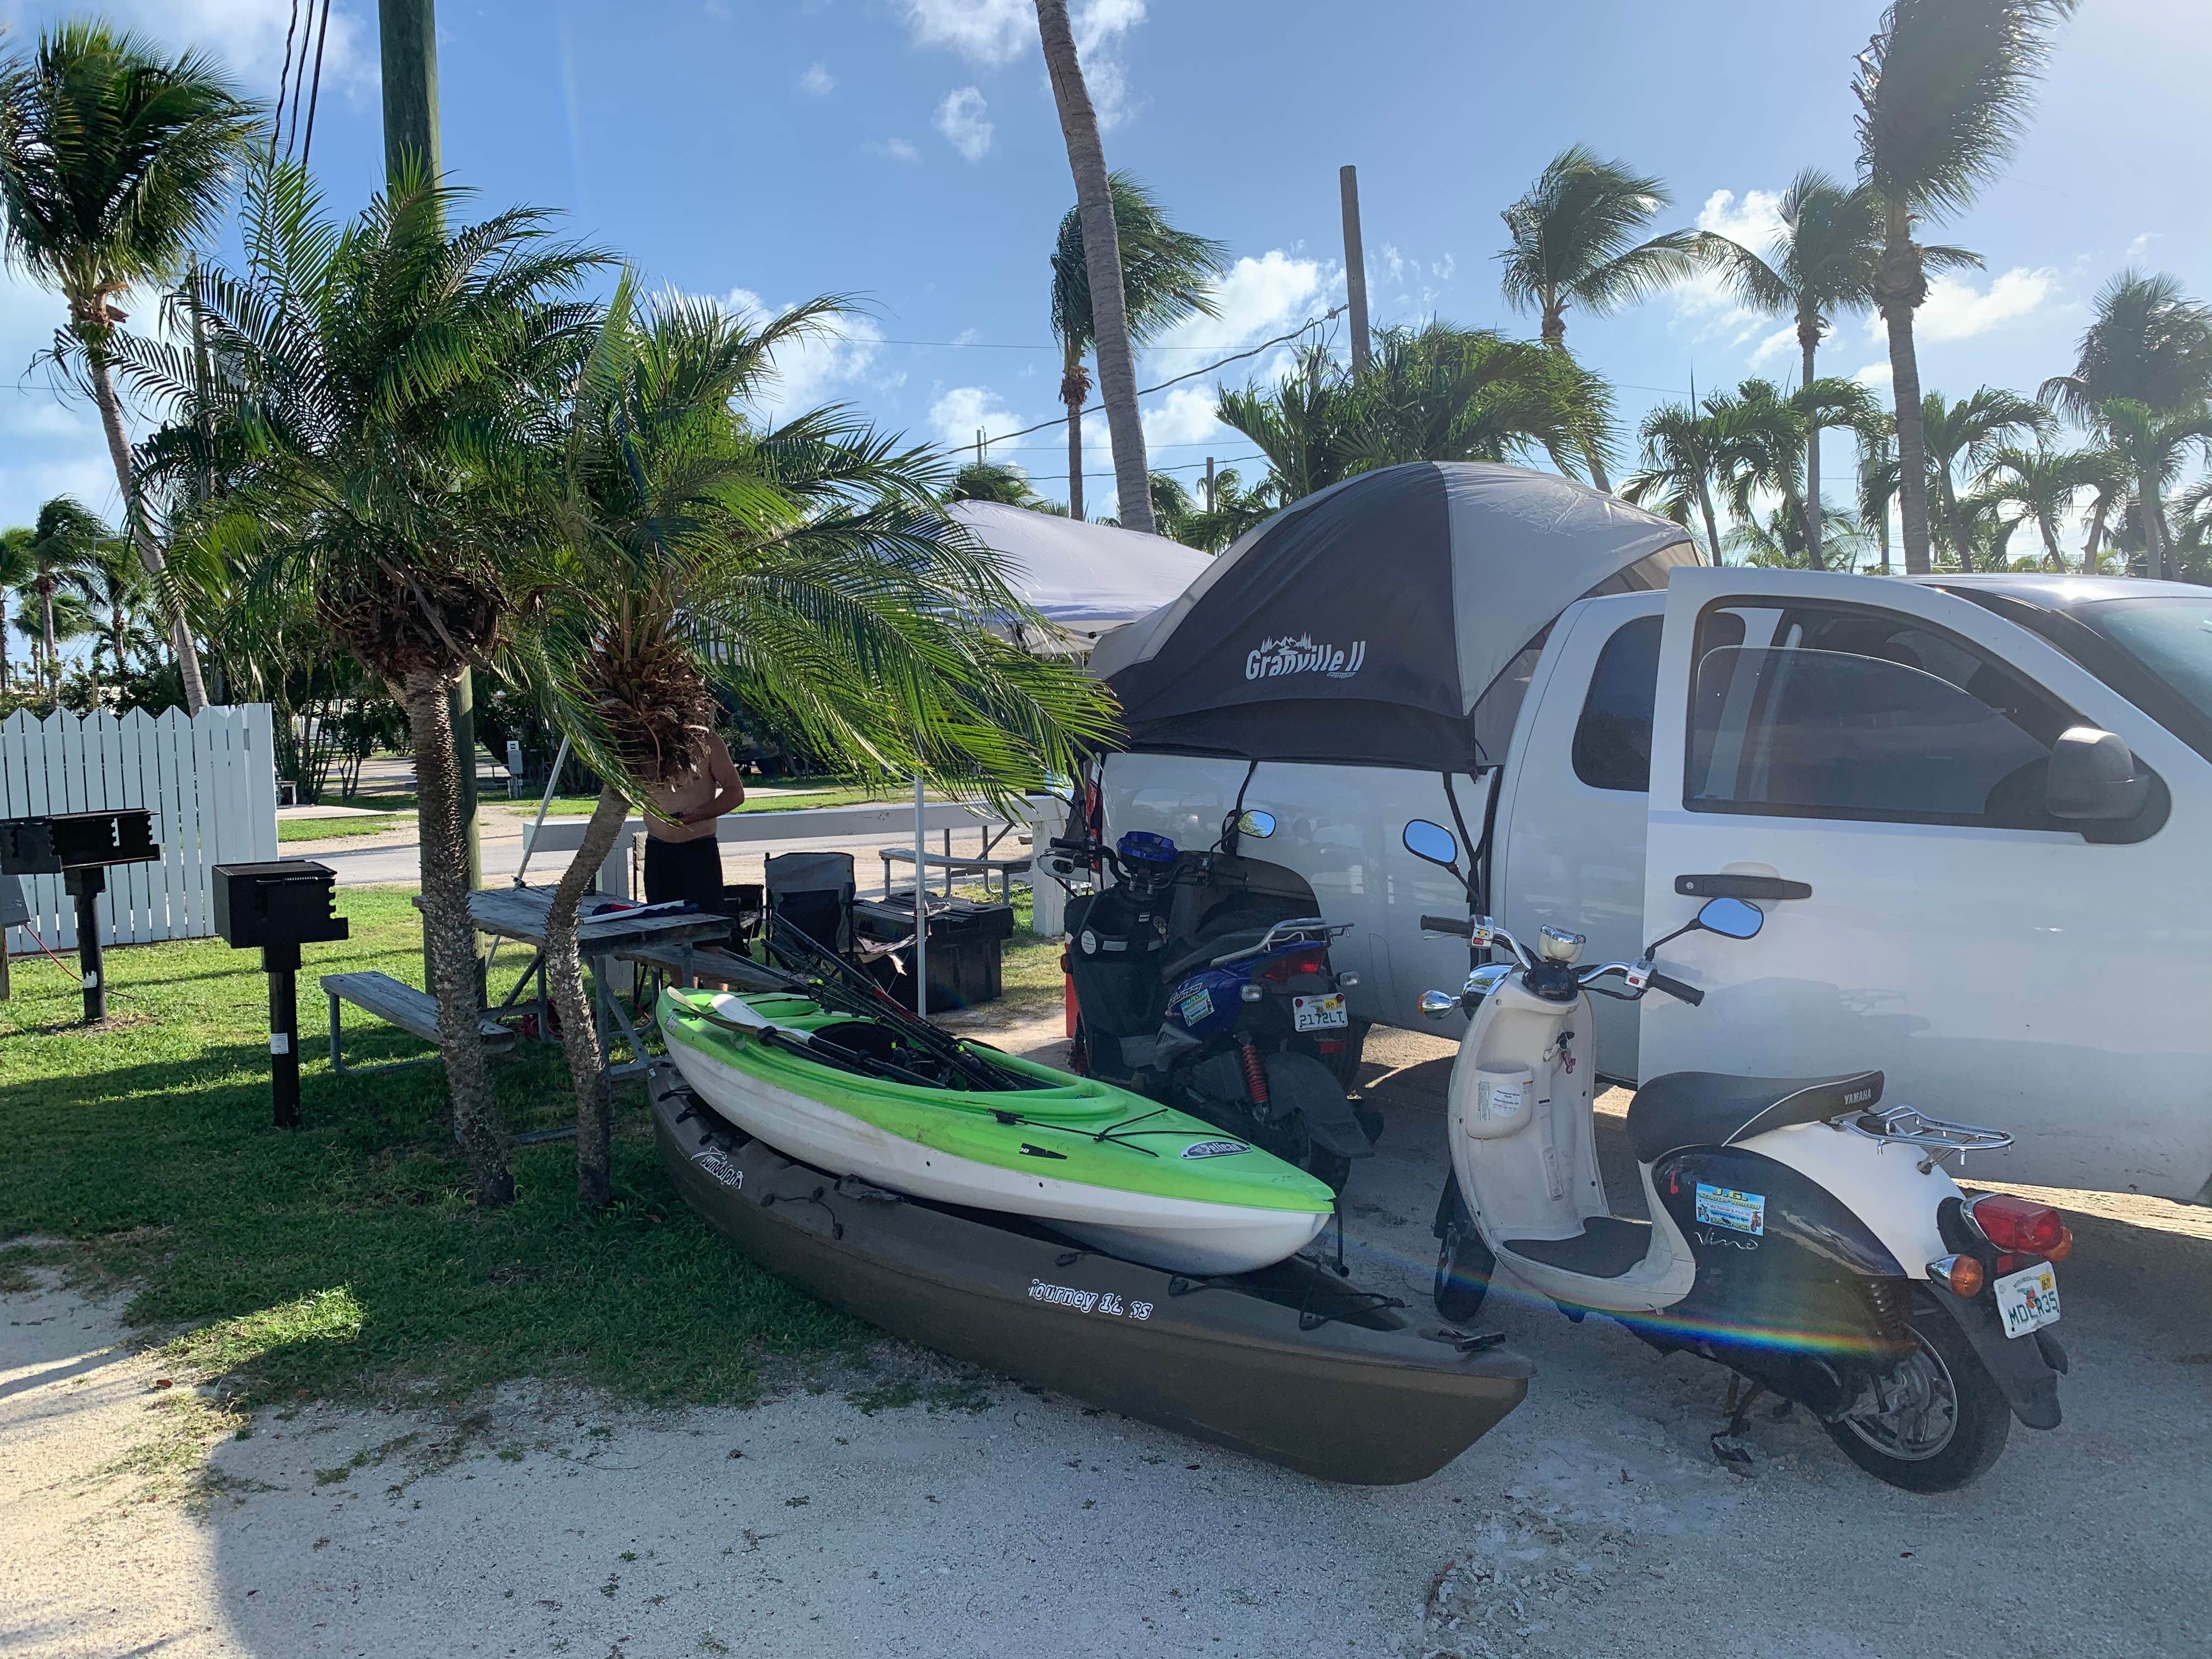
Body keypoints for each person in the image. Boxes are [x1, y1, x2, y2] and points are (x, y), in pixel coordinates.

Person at [641, 731, 746, 910]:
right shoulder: (639, 743)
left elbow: (735, 793)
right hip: (658, 851)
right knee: (663, 925)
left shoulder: (709, 742)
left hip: (699, 851)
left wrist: (698, 814)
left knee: (708, 924)